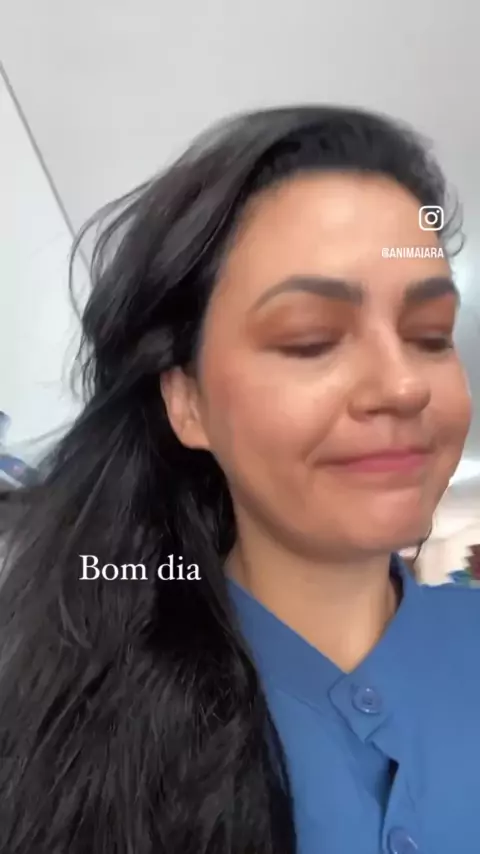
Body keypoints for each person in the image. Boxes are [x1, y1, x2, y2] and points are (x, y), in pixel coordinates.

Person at [0, 105, 475, 854]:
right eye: (310, 339)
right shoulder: (61, 724)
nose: (403, 386)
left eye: (431, 336)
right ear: (186, 402)